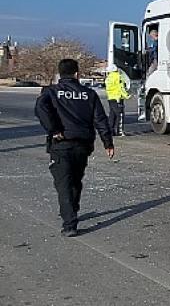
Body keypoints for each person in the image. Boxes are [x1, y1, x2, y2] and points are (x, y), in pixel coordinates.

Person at [34, 59, 115, 237]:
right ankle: (71, 209)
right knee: (76, 180)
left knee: (64, 183)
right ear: (77, 74)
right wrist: (107, 142)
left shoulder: (51, 92)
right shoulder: (89, 94)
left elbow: (40, 108)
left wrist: (54, 129)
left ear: (59, 74)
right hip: (83, 145)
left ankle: (70, 223)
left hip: (61, 143)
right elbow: (100, 120)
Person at [105, 65, 131, 136]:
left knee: (112, 115)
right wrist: (127, 95)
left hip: (110, 98)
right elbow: (121, 88)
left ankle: (110, 131)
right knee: (119, 115)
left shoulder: (108, 78)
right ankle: (119, 131)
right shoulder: (118, 76)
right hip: (118, 98)